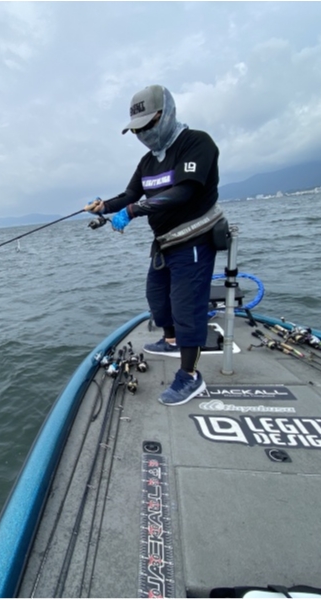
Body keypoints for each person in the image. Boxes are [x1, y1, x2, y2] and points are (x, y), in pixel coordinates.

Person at [85, 84, 220, 406]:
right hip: (164, 243)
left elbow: (184, 192)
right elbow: (131, 194)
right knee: (158, 298)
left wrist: (132, 212)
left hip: (195, 238)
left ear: (166, 113)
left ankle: (190, 376)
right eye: (136, 129)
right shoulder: (147, 162)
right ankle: (170, 340)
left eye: (148, 125)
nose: (142, 133)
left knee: (187, 307)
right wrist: (104, 207)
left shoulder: (196, 143)